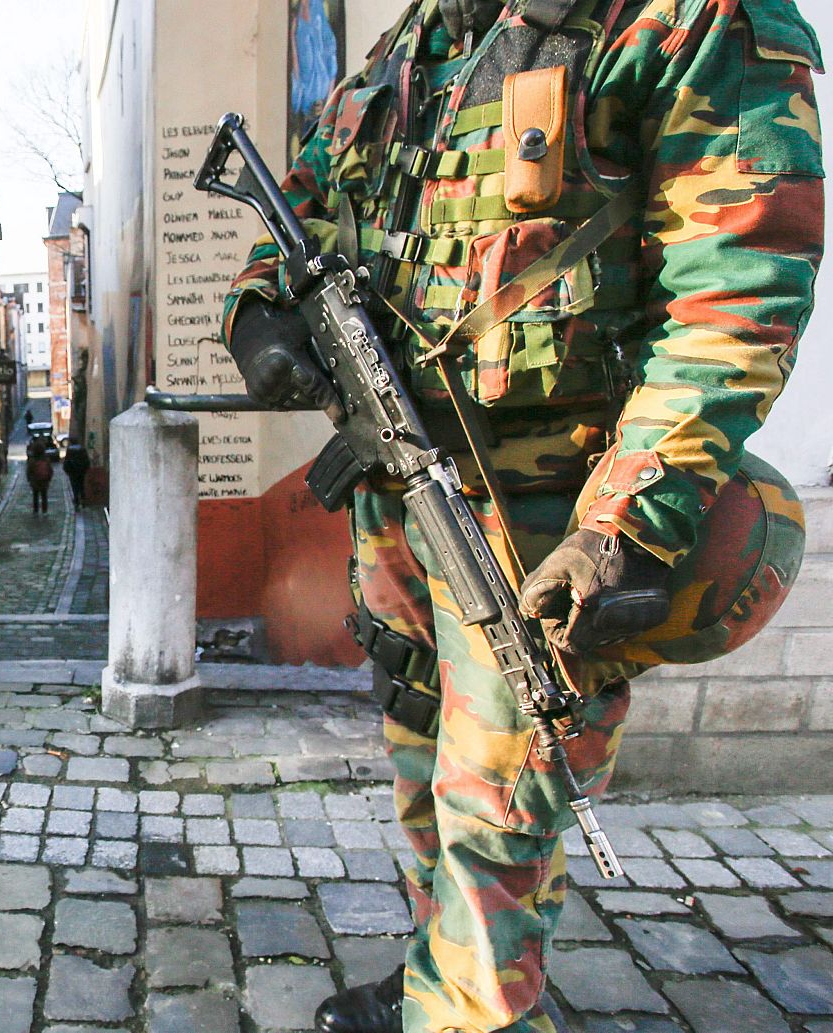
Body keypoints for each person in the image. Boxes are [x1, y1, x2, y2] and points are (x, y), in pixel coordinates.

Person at [222, 1, 823, 1030]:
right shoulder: (418, 40)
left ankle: (468, 1007)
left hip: (546, 518)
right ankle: (436, 976)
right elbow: (313, 193)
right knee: (422, 750)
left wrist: (626, 522)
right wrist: (261, 302)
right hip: (398, 481)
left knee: (501, 804)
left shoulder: (682, 18)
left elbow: (734, 292)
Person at [62, 443, 91, 508]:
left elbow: (66, 462)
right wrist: (86, 469)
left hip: (73, 472)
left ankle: (76, 501)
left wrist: (67, 470)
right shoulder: (82, 449)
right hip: (81, 472)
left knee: (74, 487)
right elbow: (87, 461)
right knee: (82, 486)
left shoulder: (70, 450)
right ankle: (83, 500)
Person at [29, 448, 56, 515]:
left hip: (35, 480)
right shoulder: (46, 460)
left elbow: (29, 471)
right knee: (44, 495)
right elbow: (50, 470)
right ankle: (44, 510)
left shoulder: (32, 460)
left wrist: (30, 479)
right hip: (44, 480)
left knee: (35, 495)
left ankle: (36, 510)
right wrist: (49, 478)